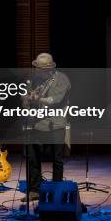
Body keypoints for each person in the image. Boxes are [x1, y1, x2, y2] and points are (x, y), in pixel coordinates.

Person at [22, 53, 71, 202]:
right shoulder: (33, 79)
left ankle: (56, 190)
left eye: (40, 69)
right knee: (32, 158)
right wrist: (26, 99)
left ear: (49, 69)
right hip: (36, 124)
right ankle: (35, 190)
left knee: (57, 159)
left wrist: (38, 98)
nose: (37, 71)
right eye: (36, 68)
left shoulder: (62, 79)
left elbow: (55, 100)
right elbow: (25, 98)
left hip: (55, 123)